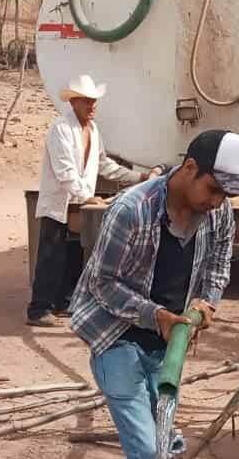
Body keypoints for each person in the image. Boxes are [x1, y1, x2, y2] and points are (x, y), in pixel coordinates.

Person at [71, 129, 239, 459]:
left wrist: (207, 302)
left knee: (162, 442)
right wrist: (157, 316)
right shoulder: (131, 210)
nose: (218, 201)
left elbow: (220, 262)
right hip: (115, 335)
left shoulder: (216, 211)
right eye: (214, 189)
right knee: (145, 449)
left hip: (167, 345)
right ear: (189, 168)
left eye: (226, 195)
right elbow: (103, 284)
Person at [28, 74, 155, 328]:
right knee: (51, 256)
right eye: (87, 101)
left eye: (94, 101)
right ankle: (39, 308)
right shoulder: (61, 129)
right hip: (60, 204)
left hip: (80, 204)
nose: (92, 106)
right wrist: (87, 196)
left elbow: (104, 165)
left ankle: (64, 302)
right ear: (74, 102)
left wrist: (137, 177)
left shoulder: (93, 130)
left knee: (75, 253)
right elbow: (65, 172)